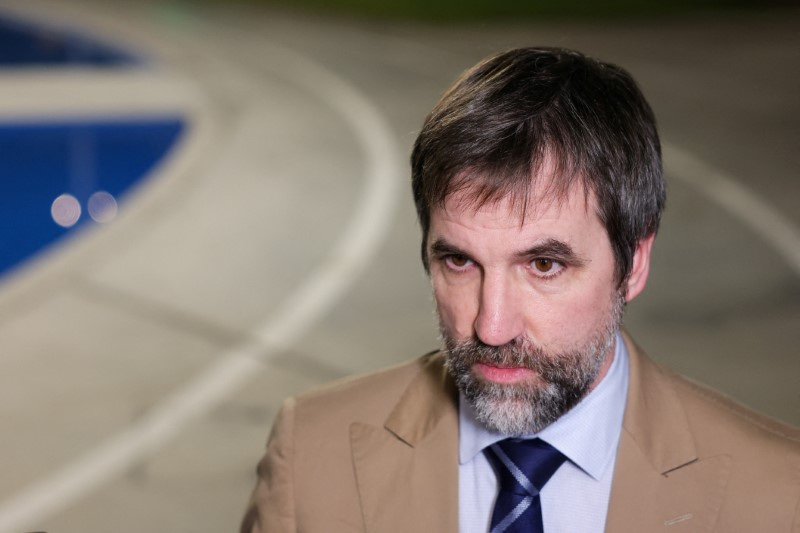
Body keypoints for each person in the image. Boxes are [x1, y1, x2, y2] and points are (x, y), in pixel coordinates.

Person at [240, 47, 800, 532]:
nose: (492, 326)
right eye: (459, 261)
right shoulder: (312, 454)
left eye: (544, 265)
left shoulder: (779, 495)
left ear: (634, 264)